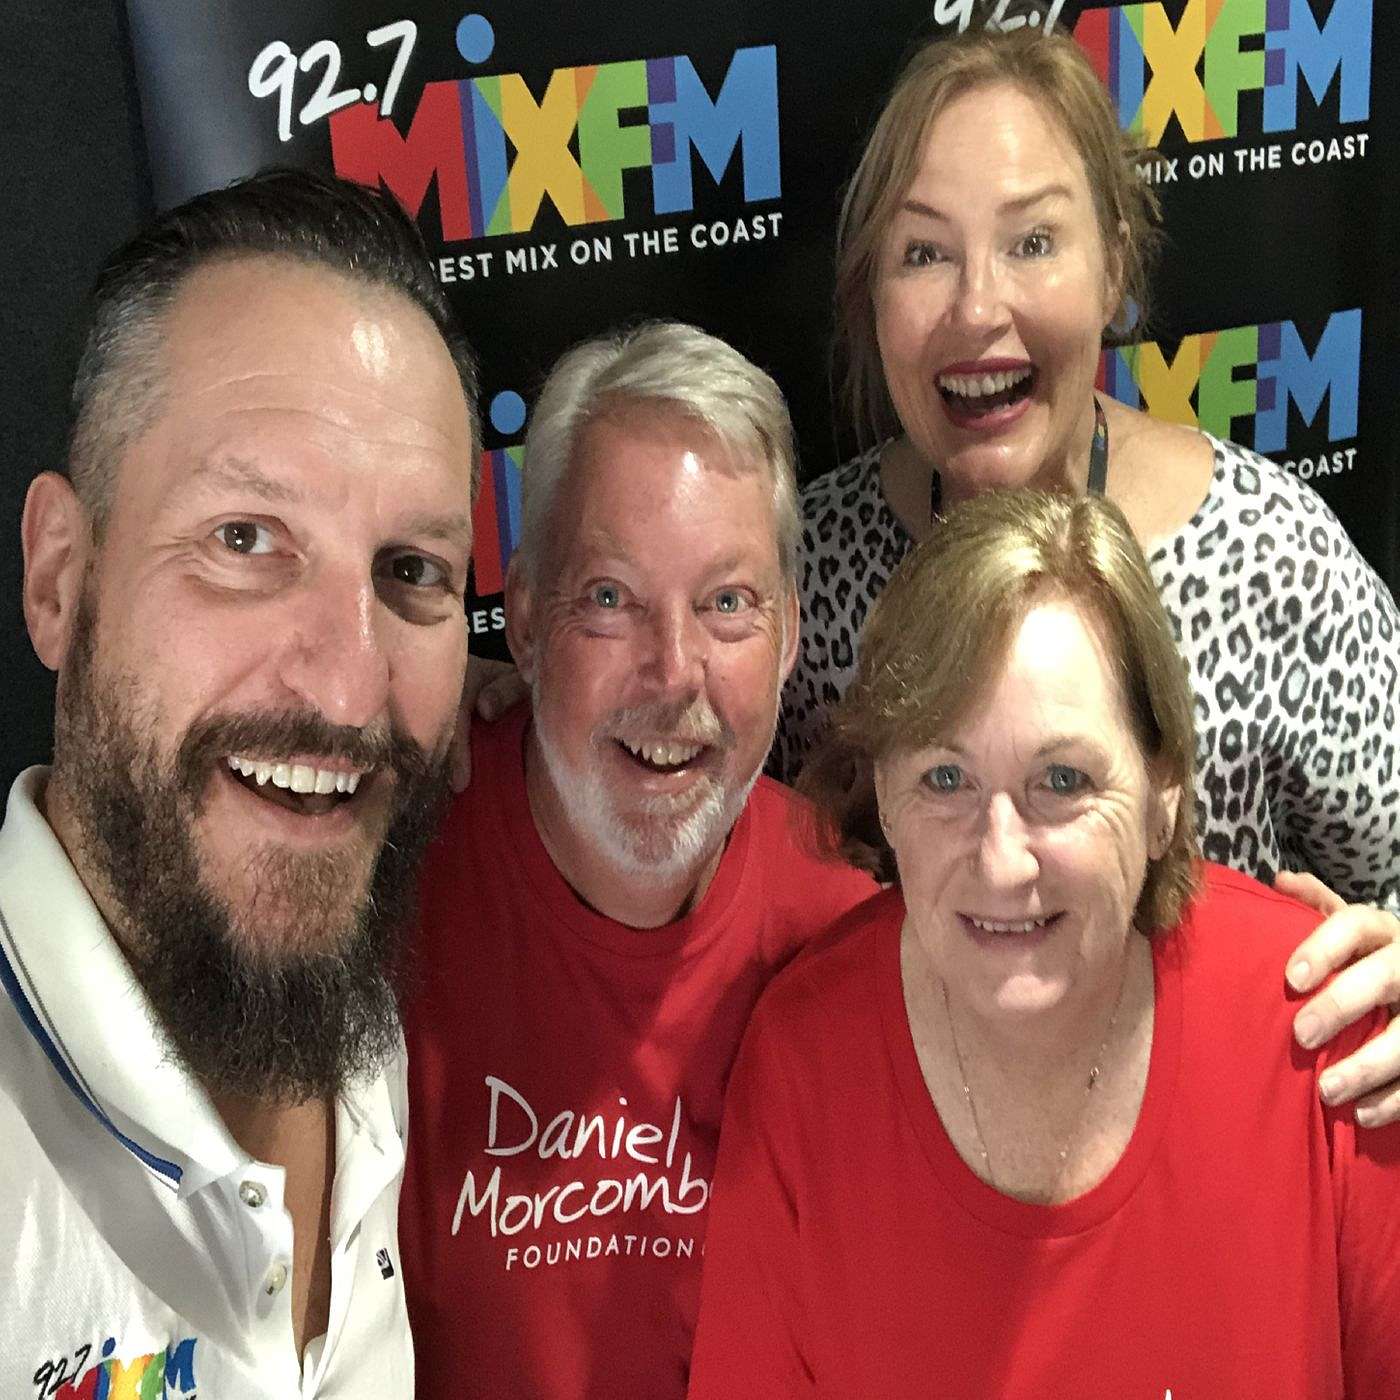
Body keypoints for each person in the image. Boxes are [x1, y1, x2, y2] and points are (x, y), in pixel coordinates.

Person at [689, 490, 1400, 1397]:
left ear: (1164, 790)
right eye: (945, 778)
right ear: (885, 802)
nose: (1002, 861)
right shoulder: (805, 1063)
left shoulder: (1323, 1029)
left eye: (1061, 780)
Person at [3, 168, 479, 1395]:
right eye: (245, 539)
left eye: (411, 570)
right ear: (59, 578)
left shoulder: (367, 1039)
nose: (347, 689)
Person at [773, 19, 1400, 921]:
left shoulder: (1273, 560)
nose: (977, 307)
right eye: (924, 253)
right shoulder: (809, 574)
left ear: (1113, 268)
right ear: (871, 297)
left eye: (1032, 242)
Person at [399, 322, 879, 1400]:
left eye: (726, 603)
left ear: (789, 635)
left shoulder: (851, 939)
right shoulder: (386, 887)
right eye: (611, 598)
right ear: (526, 621)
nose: (674, 672)